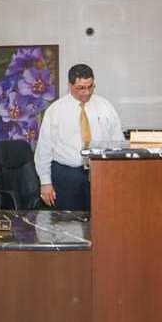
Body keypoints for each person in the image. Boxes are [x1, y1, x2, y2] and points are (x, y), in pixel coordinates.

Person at [34, 63, 124, 211]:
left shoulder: (105, 106)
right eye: (81, 88)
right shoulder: (55, 110)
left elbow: (118, 142)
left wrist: (117, 174)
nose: (86, 92)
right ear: (70, 85)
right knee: (69, 222)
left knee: (101, 218)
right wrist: (45, 182)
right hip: (66, 176)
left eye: (90, 87)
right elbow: (44, 148)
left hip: (100, 173)